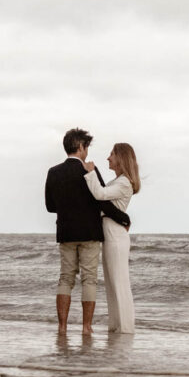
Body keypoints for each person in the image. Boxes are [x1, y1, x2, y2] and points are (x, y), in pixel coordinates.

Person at [45, 128, 130, 338]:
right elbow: (101, 200)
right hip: (90, 232)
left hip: (65, 232)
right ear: (81, 146)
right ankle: (86, 327)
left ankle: (63, 327)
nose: (87, 152)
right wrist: (123, 217)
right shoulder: (89, 170)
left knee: (65, 278)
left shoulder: (53, 172)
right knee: (89, 280)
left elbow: (49, 206)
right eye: (87, 147)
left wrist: (68, 208)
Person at [82, 143, 140, 333]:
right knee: (112, 284)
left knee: (119, 283)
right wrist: (94, 172)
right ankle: (115, 327)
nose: (108, 158)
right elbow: (104, 202)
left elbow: (99, 195)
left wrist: (90, 172)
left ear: (121, 158)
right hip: (110, 235)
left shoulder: (124, 183)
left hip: (116, 236)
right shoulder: (118, 181)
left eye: (111, 155)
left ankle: (126, 329)